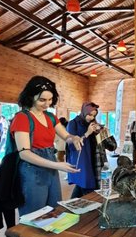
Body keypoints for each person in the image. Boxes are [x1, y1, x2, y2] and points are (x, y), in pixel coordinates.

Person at [10, 77, 82, 216]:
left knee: (54, 212)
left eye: (50, 100)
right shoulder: (22, 118)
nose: (47, 104)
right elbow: (24, 153)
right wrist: (57, 165)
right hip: (32, 169)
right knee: (33, 216)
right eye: (42, 100)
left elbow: (66, 136)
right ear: (31, 96)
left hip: (51, 167)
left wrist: (74, 138)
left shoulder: (50, 117)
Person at [65, 102, 104, 198]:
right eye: (89, 115)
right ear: (83, 112)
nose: (91, 118)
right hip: (81, 161)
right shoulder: (72, 124)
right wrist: (87, 133)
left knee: (83, 186)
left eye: (94, 115)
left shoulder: (92, 124)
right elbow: (73, 145)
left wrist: (101, 132)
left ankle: (71, 207)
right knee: (87, 187)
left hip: (92, 159)